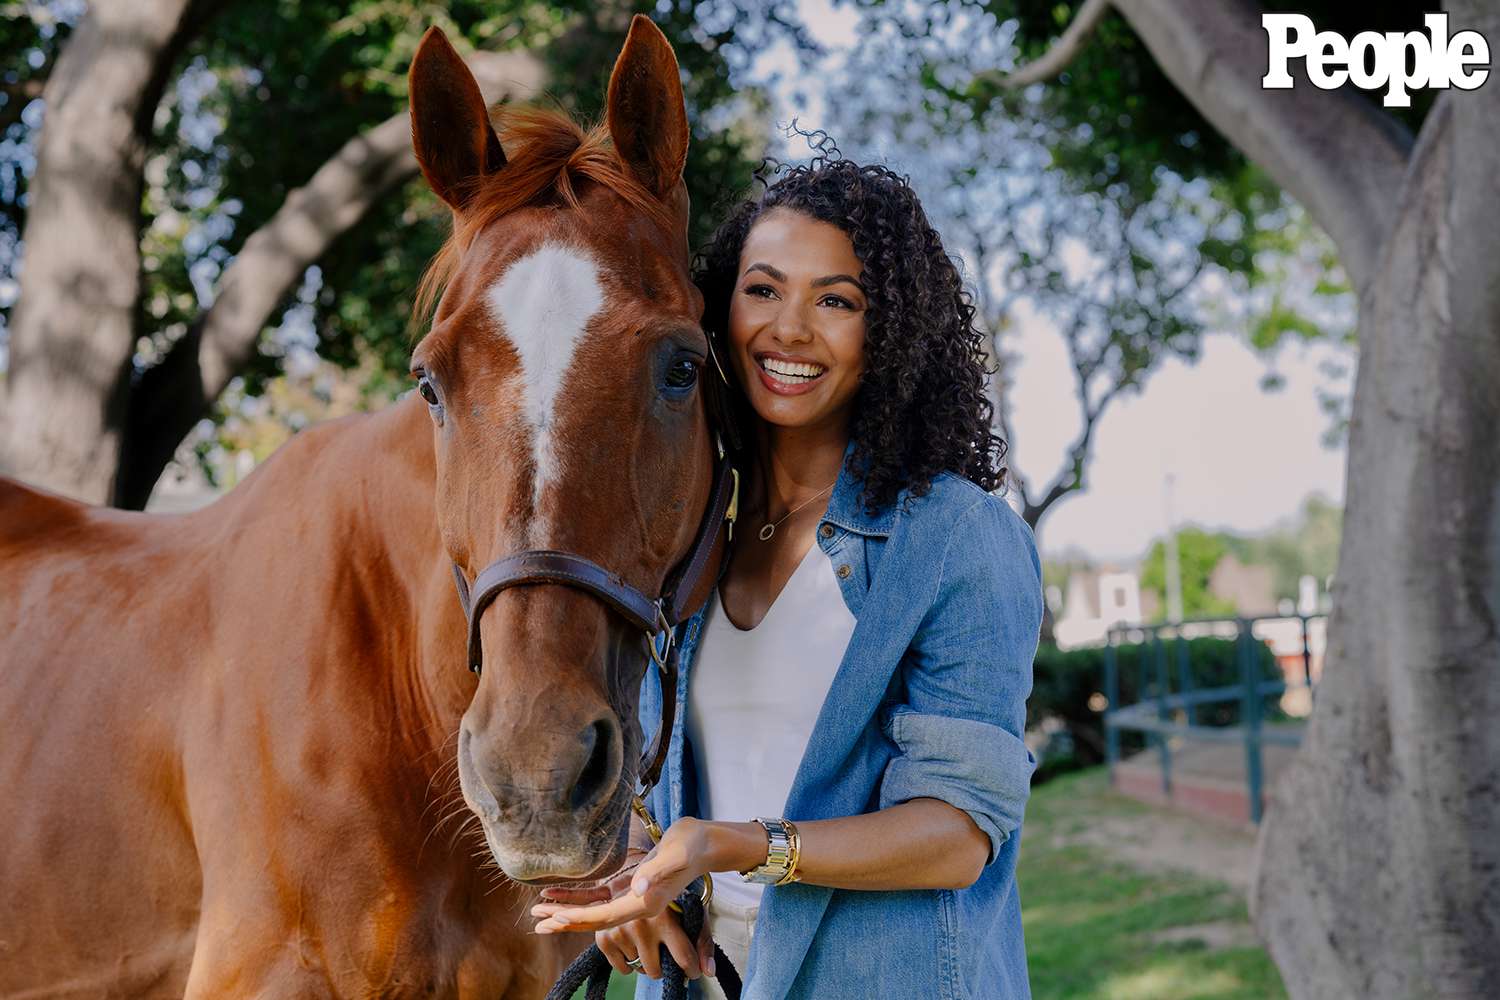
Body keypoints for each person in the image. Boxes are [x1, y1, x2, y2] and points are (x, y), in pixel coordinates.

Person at [530, 147, 1043, 999]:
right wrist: (635, 860)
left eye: (836, 301)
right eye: (763, 290)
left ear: (889, 334)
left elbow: (960, 833)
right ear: (721, 306)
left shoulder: (958, 539)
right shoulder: (692, 535)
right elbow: (658, 768)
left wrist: (743, 846)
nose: (790, 330)